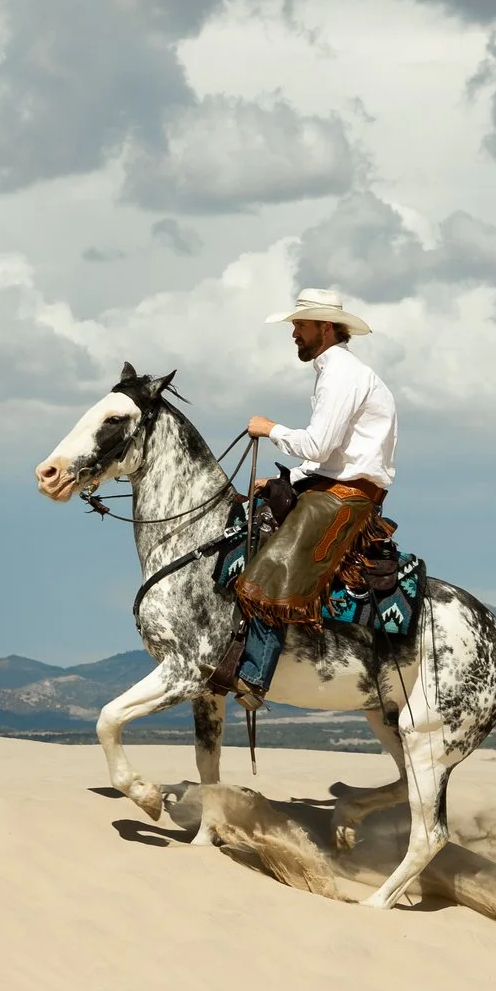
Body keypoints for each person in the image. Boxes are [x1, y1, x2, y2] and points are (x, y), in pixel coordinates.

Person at [209, 287, 398, 699]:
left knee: (272, 565)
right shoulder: (335, 373)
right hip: (333, 483)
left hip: (348, 495)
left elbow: (318, 446)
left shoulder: (342, 376)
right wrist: (290, 479)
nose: (294, 332)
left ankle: (255, 675)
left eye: (300, 325)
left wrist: (269, 428)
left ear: (324, 328)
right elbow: (328, 457)